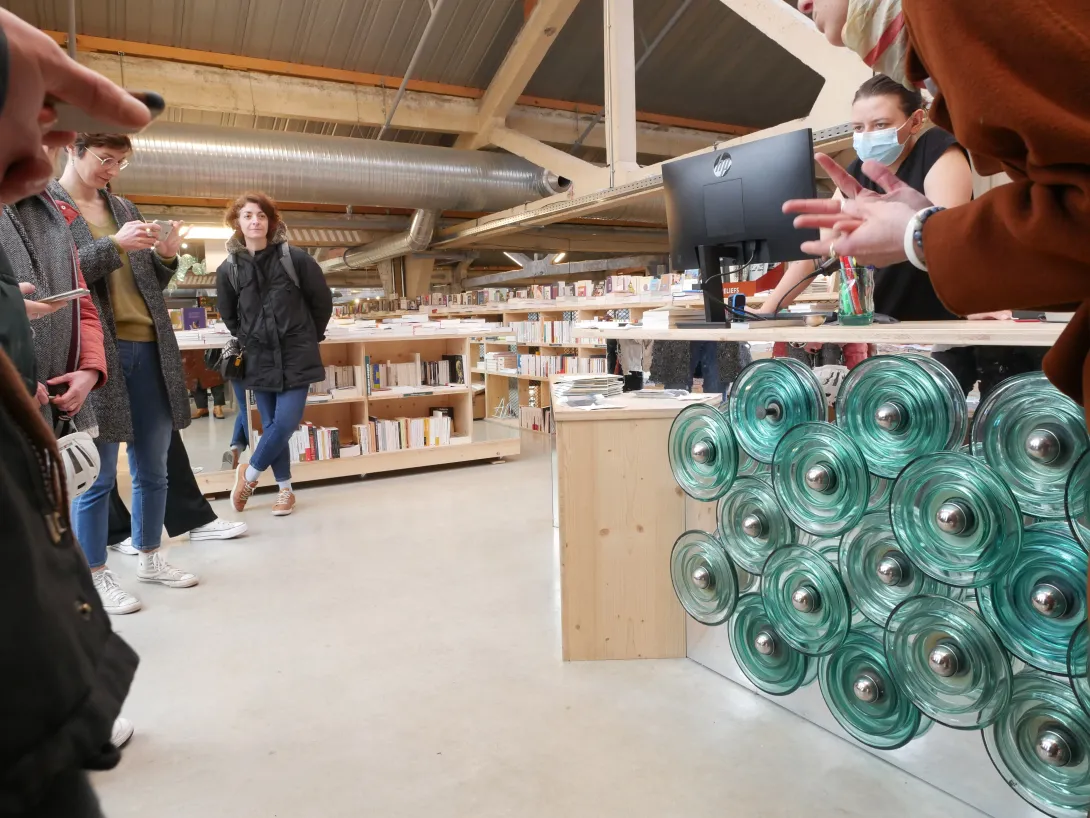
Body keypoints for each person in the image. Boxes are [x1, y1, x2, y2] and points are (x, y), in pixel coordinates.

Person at [787, 0, 1090, 411]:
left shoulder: (959, 16)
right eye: (858, 127)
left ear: (915, 121)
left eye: (878, 125)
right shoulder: (942, 52)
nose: (802, 3)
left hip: (931, 336)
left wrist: (922, 232)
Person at [0, 8, 151, 815]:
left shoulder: (65, 211)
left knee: (81, 499)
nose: (38, 158)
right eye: (20, 129)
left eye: (51, 137)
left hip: (68, 395)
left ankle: (91, 687)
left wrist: (88, 368)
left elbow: (83, 299)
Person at [53, 132, 200, 615]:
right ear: (73, 150)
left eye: (121, 162)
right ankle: (94, 575)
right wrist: (113, 244)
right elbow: (62, 278)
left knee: (153, 467)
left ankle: (150, 557)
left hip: (149, 347)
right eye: (105, 159)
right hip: (98, 354)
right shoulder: (49, 207)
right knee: (96, 475)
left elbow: (145, 286)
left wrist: (164, 258)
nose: (112, 169)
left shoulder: (125, 206)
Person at [216, 191, 332, 516]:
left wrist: (309, 336)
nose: (255, 221)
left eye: (261, 216)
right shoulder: (229, 270)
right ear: (237, 223)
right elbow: (229, 315)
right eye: (248, 215)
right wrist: (251, 338)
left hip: (297, 354)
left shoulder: (295, 259)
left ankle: (249, 475)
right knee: (270, 425)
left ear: (271, 221)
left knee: (285, 422)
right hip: (258, 359)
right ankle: (285, 490)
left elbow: (322, 302)